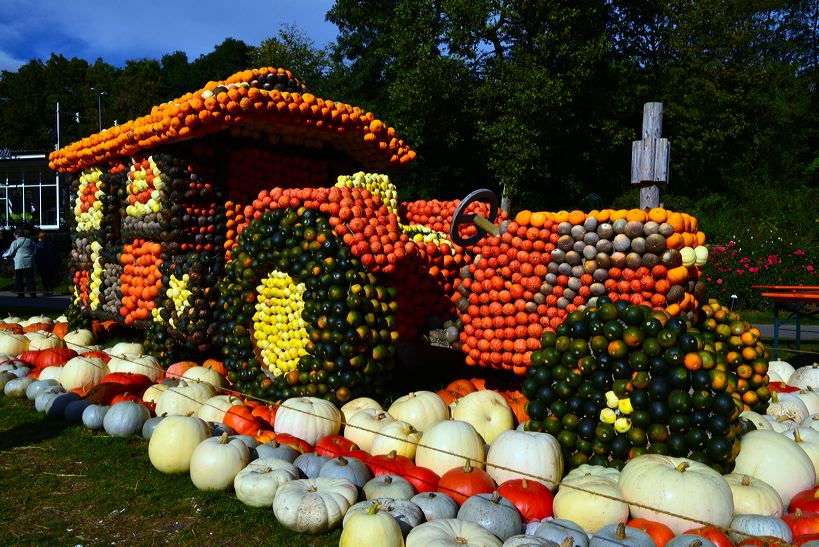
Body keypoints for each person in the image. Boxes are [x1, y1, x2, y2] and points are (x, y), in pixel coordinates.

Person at [2, 229, 36, 297]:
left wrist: (4, 255)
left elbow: (10, 252)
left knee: (19, 279)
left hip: (19, 263)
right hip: (29, 262)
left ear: (17, 235)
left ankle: (21, 293)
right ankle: (32, 293)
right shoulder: (30, 241)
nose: (15, 237)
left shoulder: (15, 242)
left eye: (15, 235)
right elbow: (34, 250)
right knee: (30, 279)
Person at [34, 231, 59, 296]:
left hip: (42, 264)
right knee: (50, 278)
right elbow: (55, 253)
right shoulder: (50, 244)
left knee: (44, 278)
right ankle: (50, 290)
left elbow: (36, 255)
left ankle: (45, 290)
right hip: (50, 263)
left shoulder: (38, 245)